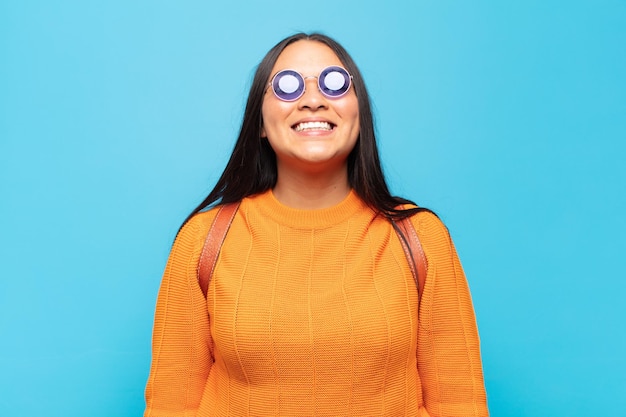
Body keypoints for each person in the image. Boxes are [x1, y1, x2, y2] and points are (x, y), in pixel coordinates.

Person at [144, 32, 489, 417]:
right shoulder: (202, 241)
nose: (312, 99)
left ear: (360, 114)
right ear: (259, 123)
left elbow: (460, 403)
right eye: (287, 87)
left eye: (334, 83)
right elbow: (170, 404)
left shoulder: (421, 237)